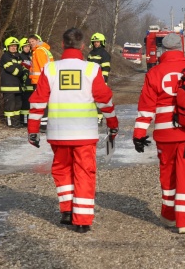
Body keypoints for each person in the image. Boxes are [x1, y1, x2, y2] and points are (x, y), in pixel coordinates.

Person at [27, 28, 119, 234]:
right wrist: (113, 124)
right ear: (83, 46)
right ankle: (83, 220)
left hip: (58, 132)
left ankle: (67, 211)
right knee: (84, 172)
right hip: (85, 133)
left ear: (62, 44)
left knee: (62, 170)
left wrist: (33, 130)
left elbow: (37, 101)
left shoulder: (50, 69)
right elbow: (104, 100)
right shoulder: (92, 69)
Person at [133, 32, 185, 234]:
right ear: (181, 48)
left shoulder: (155, 73)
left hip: (165, 134)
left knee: (168, 172)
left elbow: (146, 107)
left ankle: (169, 214)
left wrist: (139, 133)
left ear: (163, 49)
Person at [28, 34, 54, 131]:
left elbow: (43, 67)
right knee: (45, 102)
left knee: (41, 102)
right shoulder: (44, 50)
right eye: (30, 42)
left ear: (38, 41)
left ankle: (43, 125)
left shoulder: (38, 51)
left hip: (40, 80)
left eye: (33, 41)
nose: (31, 44)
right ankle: (45, 124)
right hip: (44, 80)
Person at [0, 37, 25, 128]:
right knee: (10, 105)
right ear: (7, 47)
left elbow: (23, 67)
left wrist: (20, 68)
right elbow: (13, 70)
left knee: (18, 105)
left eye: (15, 46)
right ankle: (10, 123)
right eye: (11, 46)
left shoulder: (18, 56)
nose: (14, 48)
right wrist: (20, 70)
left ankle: (16, 122)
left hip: (17, 86)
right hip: (8, 86)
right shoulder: (5, 56)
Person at [87, 32, 112, 125]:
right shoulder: (91, 53)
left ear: (102, 42)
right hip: (90, 79)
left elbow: (106, 68)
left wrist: (104, 80)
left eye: (98, 42)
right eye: (94, 42)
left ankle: (99, 118)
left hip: (100, 80)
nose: (96, 43)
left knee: (99, 100)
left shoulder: (104, 54)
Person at [18, 38, 33, 127]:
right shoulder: (20, 56)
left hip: (31, 82)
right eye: (25, 47)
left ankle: (29, 120)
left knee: (30, 103)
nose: (27, 48)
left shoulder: (31, 55)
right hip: (25, 83)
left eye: (28, 46)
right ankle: (24, 121)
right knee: (25, 103)